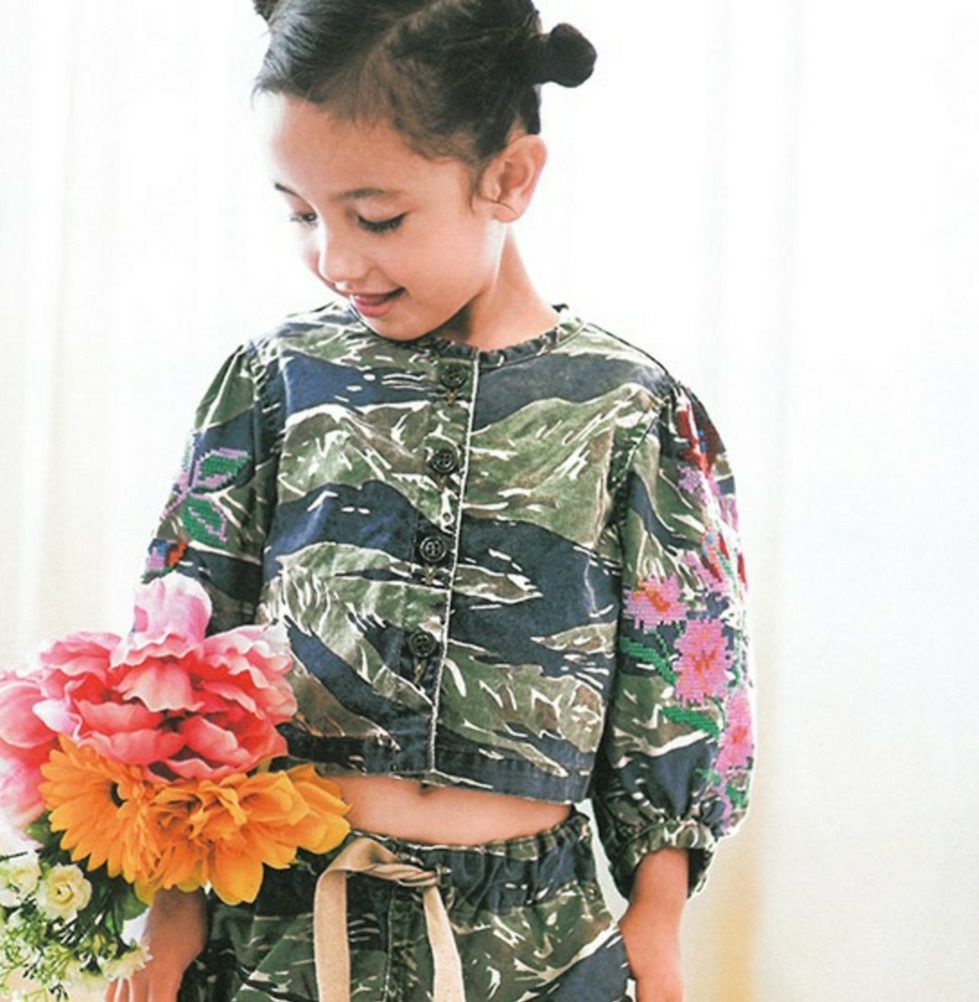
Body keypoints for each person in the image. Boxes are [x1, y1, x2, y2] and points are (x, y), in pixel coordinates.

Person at [105, 2, 755, 1000]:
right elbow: (180, 643)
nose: (335, 259)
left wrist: (656, 920)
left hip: (535, 952)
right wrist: (171, 915)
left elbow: (682, 681)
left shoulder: (631, 408)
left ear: (509, 178)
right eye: (301, 214)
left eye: (377, 218)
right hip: (275, 939)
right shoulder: (275, 382)